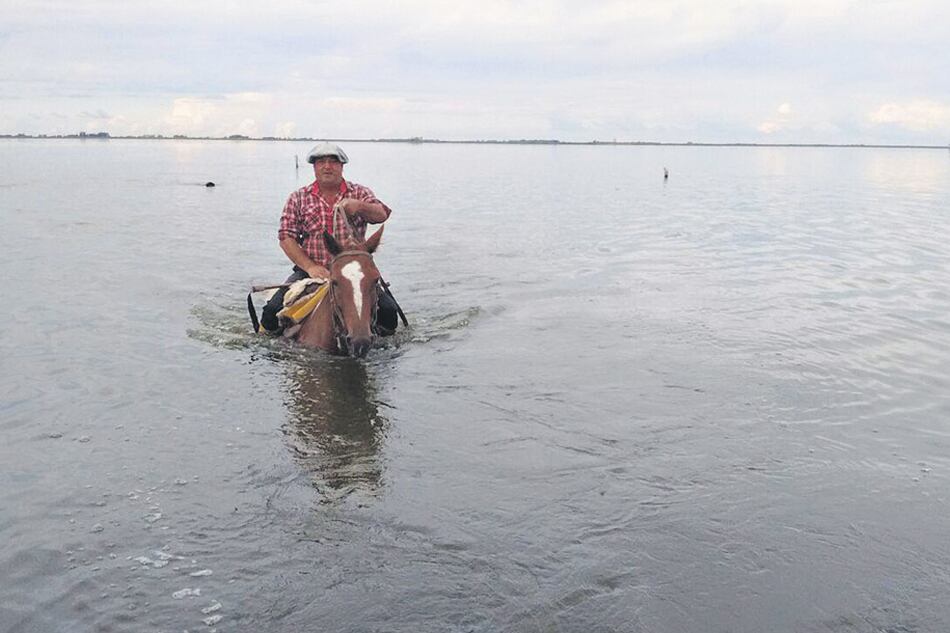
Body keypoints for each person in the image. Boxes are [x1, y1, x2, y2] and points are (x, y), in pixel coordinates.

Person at [260, 142, 399, 334]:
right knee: (271, 312)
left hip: (352, 273)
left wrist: (359, 206)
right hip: (310, 271)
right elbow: (286, 238)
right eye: (321, 162)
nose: (327, 166)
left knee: (389, 312)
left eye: (333, 161)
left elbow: (381, 214)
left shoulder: (359, 193)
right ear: (314, 167)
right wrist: (311, 267)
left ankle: (379, 344)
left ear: (342, 166)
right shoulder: (298, 198)